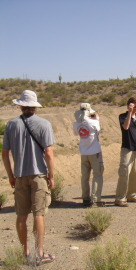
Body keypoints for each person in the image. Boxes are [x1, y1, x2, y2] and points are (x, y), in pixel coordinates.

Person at [2, 90, 56, 265]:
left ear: (21, 105)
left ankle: (25, 252)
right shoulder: (44, 124)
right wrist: (51, 175)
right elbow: (48, 152)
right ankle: (39, 253)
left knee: (21, 215)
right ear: (35, 106)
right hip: (38, 175)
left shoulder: (11, 125)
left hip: (20, 176)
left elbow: (4, 154)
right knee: (38, 214)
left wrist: (11, 176)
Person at [115, 97, 136, 207]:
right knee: (124, 173)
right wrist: (129, 113)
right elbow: (126, 127)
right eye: (135, 106)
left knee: (135, 172)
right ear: (130, 106)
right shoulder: (123, 116)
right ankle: (120, 198)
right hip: (127, 148)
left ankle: (131, 195)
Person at [73, 103, 104, 207]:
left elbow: (76, 133)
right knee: (97, 175)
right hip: (95, 153)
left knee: (85, 177)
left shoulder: (76, 124)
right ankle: (96, 200)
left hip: (83, 153)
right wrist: (97, 119)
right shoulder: (94, 122)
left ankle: (86, 199)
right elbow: (99, 132)